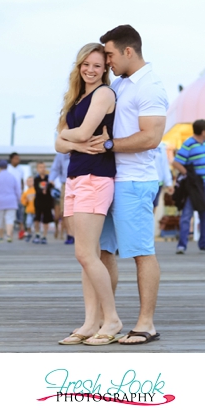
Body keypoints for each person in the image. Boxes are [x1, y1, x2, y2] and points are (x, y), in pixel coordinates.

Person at [100, 25, 168, 345]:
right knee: (103, 251)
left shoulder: (150, 86)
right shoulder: (121, 83)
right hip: (111, 180)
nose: (107, 60)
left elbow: (151, 137)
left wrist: (110, 146)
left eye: (110, 54)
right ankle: (107, 320)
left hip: (135, 181)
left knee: (142, 252)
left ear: (129, 51)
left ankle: (146, 324)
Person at [55, 42, 122, 346]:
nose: (91, 70)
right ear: (79, 65)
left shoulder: (104, 94)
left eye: (97, 65)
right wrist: (71, 141)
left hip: (96, 177)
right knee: (85, 256)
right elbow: (59, 144)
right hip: (75, 177)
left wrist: (69, 138)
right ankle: (90, 321)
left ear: (105, 68)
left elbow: (75, 135)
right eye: (86, 64)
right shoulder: (74, 99)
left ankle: (112, 319)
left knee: (85, 253)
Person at [172, 119, 205, 254]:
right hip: (195, 185)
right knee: (187, 214)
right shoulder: (189, 144)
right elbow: (176, 163)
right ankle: (182, 245)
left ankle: (204, 243)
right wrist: (189, 175)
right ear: (203, 131)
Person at [0, 159, 21, 243]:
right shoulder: (12, 177)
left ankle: (1, 237)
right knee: (10, 219)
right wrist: (18, 200)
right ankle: (8, 235)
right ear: (7, 167)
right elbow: (17, 190)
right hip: (11, 201)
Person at [49, 152, 72, 244]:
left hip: (83, 182)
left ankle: (79, 235)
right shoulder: (62, 153)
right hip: (66, 183)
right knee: (66, 210)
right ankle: (70, 235)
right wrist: (51, 179)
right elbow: (56, 168)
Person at [32, 162, 55, 244]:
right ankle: (37, 234)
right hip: (38, 201)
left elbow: (52, 186)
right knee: (37, 218)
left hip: (47, 202)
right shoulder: (36, 179)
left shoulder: (49, 178)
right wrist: (42, 190)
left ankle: (44, 236)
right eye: (40, 167)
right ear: (37, 169)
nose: (43, 169)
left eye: (44, 167)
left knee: (46, 219)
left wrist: (49, 186)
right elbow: (36, 188)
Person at [153, 143, 174, 208]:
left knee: (154, 207)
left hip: (158, 183)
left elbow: (164, 164)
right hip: (143, 181)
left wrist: (169, 183)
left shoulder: (161, 146)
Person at [20, 176, 36, 241]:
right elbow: (22, 201)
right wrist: (25, 202)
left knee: (36, 225)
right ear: (26, 183)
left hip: (36, 211)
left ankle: (36, 235)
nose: (30, 182)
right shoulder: (26, 192)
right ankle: (29, 234)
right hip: (29, 211)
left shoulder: (36, 190)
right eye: (28, 181)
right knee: (28, 223)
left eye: (31, 181)